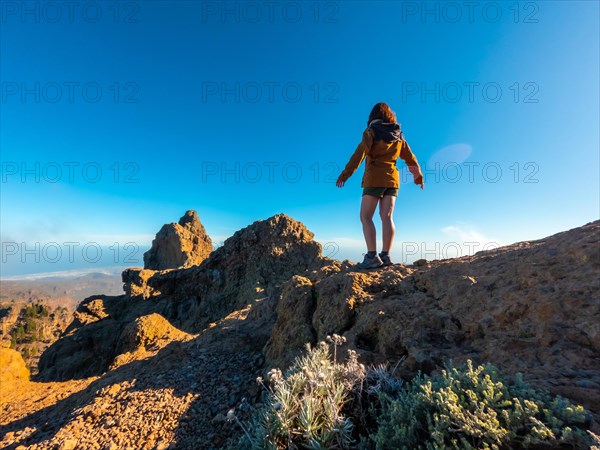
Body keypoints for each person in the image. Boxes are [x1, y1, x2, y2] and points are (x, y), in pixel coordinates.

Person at [336, 102, 424, 269]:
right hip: (392, 180)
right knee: (387, 217)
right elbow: (410, 158)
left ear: (372, 117)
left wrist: (345, 175)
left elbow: (358, 156)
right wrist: (418, 176)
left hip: (374, 178)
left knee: (365, 216)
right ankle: (385, 255)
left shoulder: (371, 133)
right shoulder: (398, 136)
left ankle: (371, 257)